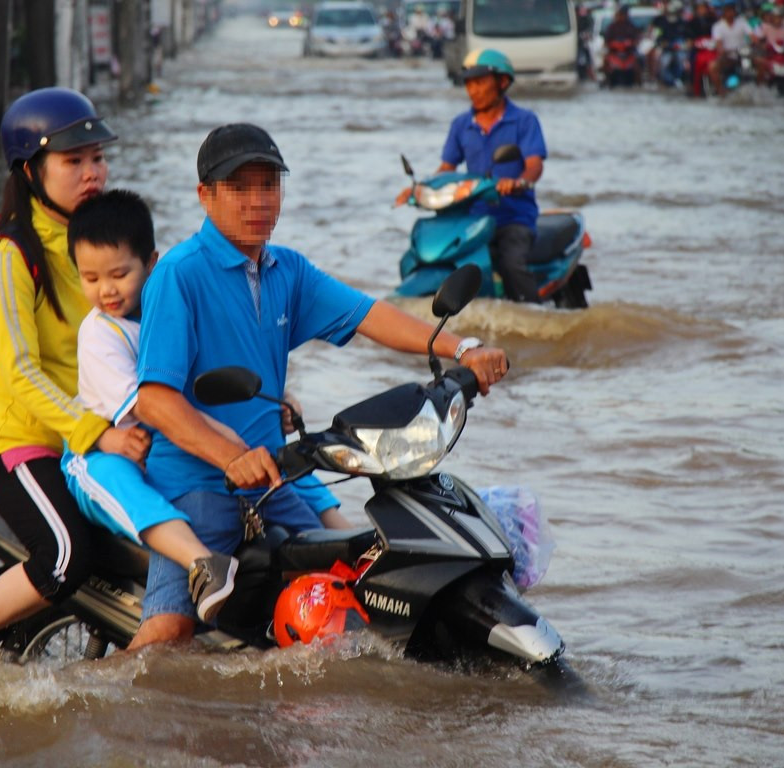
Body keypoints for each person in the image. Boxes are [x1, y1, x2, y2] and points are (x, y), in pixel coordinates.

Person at [130, 122, 509, 648]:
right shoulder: (179, 274)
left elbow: (368, 314)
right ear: (205, 195)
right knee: (169, 634)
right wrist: (229, 457)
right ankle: (96, 694)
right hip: (198, 483)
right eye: (239, 188)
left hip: (271, 481)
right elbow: (153, 400)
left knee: (362, 580)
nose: (258, 201)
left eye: (269, 185)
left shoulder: (286, 270)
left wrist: (462, 348)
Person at [0, 87, 128, 658]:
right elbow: (19, 373)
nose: (92, 172)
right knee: (64, 556)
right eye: (73, 161)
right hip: (25, 447)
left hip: (91, 445)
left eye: (98, 158)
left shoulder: (105, 245)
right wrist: (95, 431)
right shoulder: (10, 256)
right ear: (31, 171)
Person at [59, 189, 238, 629]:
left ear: (151, 263)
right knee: (127, 489)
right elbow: (149, 406)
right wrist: (226, 441)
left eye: (119, 274)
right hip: (95, 453)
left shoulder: (165, 312)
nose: (106, 290)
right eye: (90, 278)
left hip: (159, 446)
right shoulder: (99, 333)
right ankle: (201, 562)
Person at [397, 49, 545, 303]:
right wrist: (420, 189)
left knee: (511, 264)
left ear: (502, 82)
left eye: (479, 82)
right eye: (468, 84)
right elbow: (447, 168)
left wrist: (519, 182)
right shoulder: (461, 124)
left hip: (513, 216)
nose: (473, 90)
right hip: (473, 216)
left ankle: (535, 314)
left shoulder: (524, 120)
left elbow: (534, 165)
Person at [708, 0, 754, 95]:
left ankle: (760, 87)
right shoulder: (718, 26)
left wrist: (755, 42)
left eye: (731, 10)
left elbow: (752, 36)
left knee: (761, 63)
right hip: (727, 56)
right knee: (712, 67)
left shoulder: (742, 22)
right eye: (727, 11)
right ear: (724, 12)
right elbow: (718, 43)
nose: (730, 13)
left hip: (743, 55)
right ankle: (720, 91)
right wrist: (722, 50)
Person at [753, 3, 784, 85]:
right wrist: (759, 43)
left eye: (779, 17)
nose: (777, 20)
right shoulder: (767, 27)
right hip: (771, 54)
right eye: (775, 17)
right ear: (772, 18)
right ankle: (760, 83)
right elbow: (758, 37)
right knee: (759, 62)